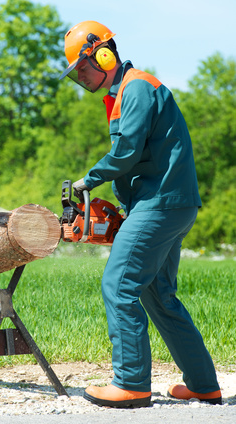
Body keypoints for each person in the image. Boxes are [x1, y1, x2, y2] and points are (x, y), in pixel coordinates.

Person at [59, 20, 221, 408]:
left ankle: (131, 382)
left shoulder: (136, 88)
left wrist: (86, 182)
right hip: (166, 203)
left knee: (118, 284)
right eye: (76, 73)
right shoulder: (124, 93)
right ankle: (202, 384)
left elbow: (127, 151)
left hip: (160, 204)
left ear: (103, 53)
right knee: (159, 296)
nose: (81, 76)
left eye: (83, 67)